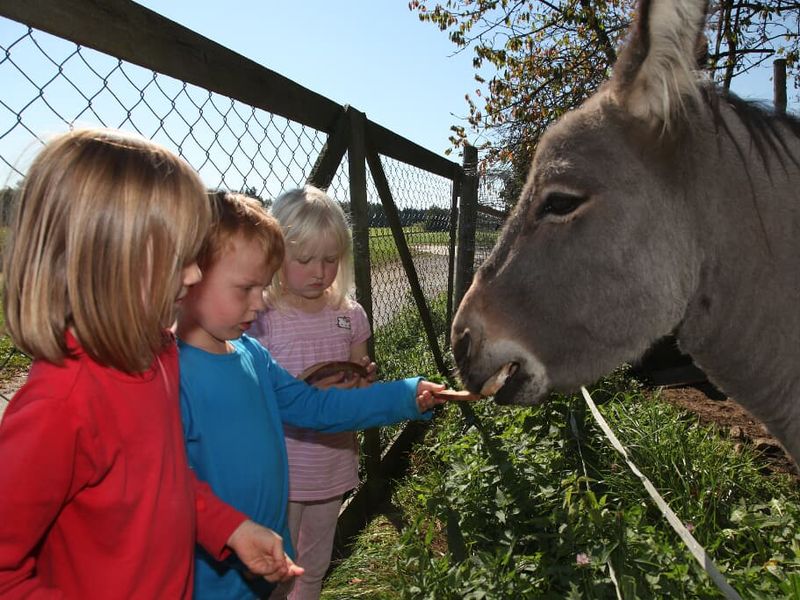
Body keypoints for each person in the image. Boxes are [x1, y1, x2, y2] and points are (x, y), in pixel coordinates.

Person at [0, 129, 301, 599]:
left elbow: (165, 481)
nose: (196, 274)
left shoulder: (157, 356)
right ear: (108, 262)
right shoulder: (60, 403)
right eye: (180, 258)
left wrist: (229, 528)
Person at [176, 191, 445, 600]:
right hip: (211, 565)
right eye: (246, 288)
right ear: (191, 276)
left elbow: (315, 407)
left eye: (261, 287)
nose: (260, 303)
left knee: (295, 575)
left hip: (259, 543)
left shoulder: (252, 354)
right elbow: (167, 485)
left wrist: (404, 395)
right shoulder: (170, 374)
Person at [247, 185, 374, 600]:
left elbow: (359, 378)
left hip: (331, 463)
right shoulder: (261, 317)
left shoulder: (349, 315)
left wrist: (361, 382)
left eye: (330, 259)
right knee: (276, 567)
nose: (319, 271)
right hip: (280, 468)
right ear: (275, 255)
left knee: (315, 564)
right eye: (303, 260)